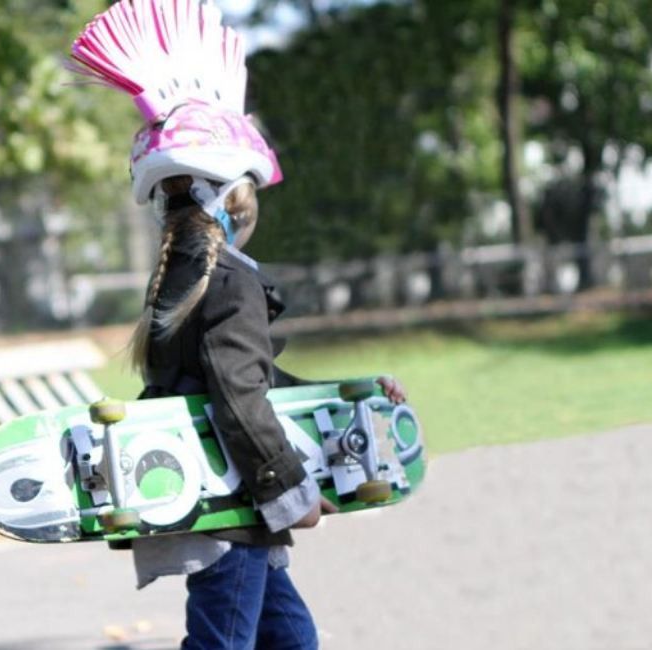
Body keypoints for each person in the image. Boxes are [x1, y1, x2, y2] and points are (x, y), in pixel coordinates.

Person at [68, 3, 406, 648]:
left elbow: (250, 378)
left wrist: (353, 392)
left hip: (214, 500)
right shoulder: (231, 282)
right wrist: (291, 493)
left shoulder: (178, 277)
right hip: (235, 505)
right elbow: (239, 400)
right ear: (234, 198)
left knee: (291, 640)